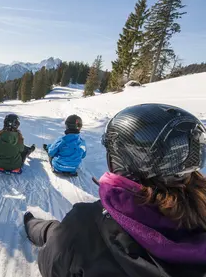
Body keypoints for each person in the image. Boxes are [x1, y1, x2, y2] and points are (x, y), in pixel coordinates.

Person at [24, 103, 206, 277]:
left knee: (61, 235)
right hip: (73, 172)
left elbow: (51, 264)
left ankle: (33, 225)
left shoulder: (85, 223)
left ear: (120, 162)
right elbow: (83, 152)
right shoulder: (198, 219)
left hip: (61, 175)